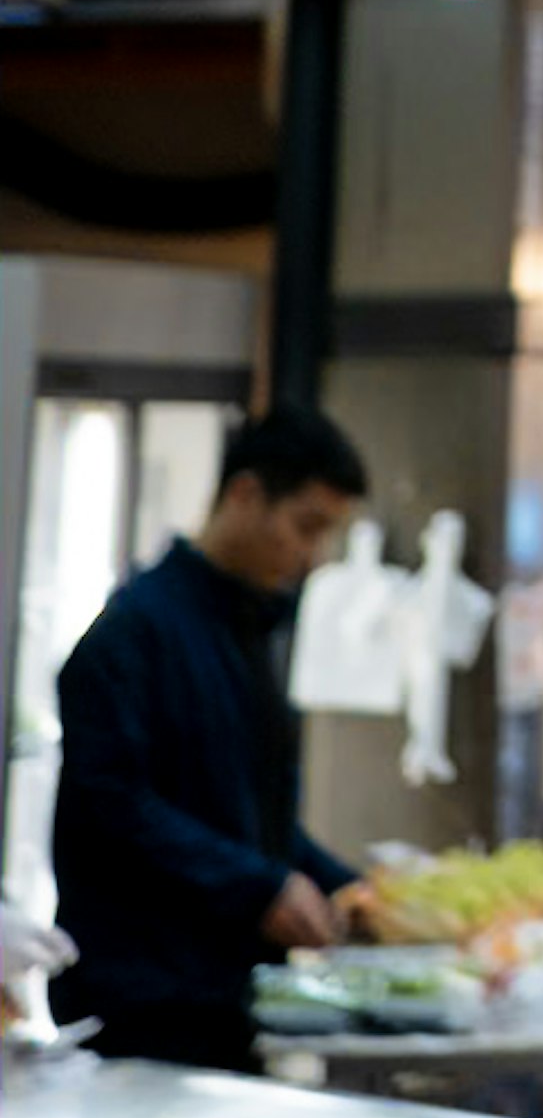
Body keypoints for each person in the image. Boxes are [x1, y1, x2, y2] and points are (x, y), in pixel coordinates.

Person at [53, 402, 371, 1065]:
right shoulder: (133, 633)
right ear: (245, 492)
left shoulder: (247, 626)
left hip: (231, 994)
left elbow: (243, 809)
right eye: (304, 526)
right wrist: (259, 884)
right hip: (144, 1001)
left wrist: (344, 884)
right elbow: (113, 807)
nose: (310, 555)